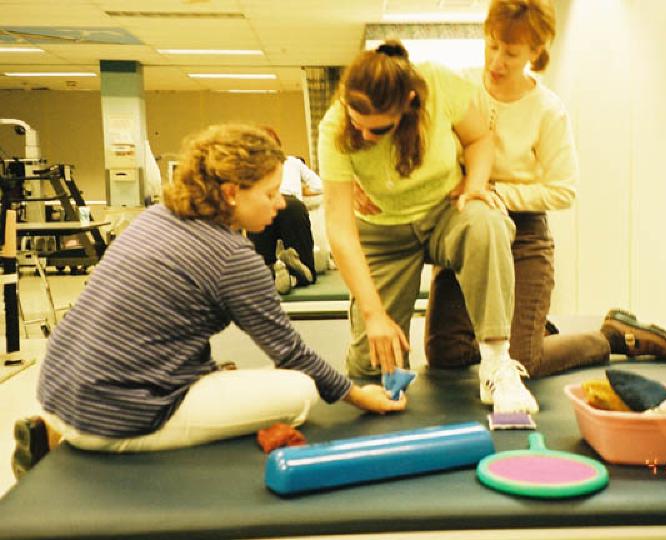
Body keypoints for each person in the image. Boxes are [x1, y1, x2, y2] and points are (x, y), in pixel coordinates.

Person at [11, 123, 405, 480]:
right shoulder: (233, 258)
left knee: (225, 371)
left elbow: (164, 329)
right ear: (232, 193)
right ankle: (76, 440)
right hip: (113, 417)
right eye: (270, 193)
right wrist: (358, 395)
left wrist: (206, 372)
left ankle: (56, 428)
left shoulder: (157, 218)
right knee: (300, 391)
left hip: (57, 389)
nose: (281, 204)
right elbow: (291, 354)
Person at [423, 0, 666, 378]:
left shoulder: (547, 109)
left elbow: (563, 189)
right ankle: (532, 331)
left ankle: (609, 337)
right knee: (446, 354)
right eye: (492, 45)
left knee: (522, 362)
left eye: (511, 53)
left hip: (525, 238)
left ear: (535, 51)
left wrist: (494, 191)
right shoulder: (461, 88)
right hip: (471, 234)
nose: (496, 61)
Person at [317, 40, 539, 415]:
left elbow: (479, 139)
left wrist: (474, 187)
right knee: (369, 370)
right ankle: (382, 357)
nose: (365, 137)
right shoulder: (335, 128)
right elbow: (340, 229)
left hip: (443, 213)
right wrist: (374, 315)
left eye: (378, 130)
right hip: (383, 233)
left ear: (408, 104)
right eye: (359, 125)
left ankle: (497, 364)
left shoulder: (436, 84)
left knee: (486, 220)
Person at [247, 126, 321, 289]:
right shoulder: (293, 161)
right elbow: (319, 185)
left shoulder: (250, 169)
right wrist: (304, 190)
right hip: (293, 205)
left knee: (261, 265)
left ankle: (273, 271)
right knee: (306, 267)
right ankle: (295, 275)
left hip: (262, 207)